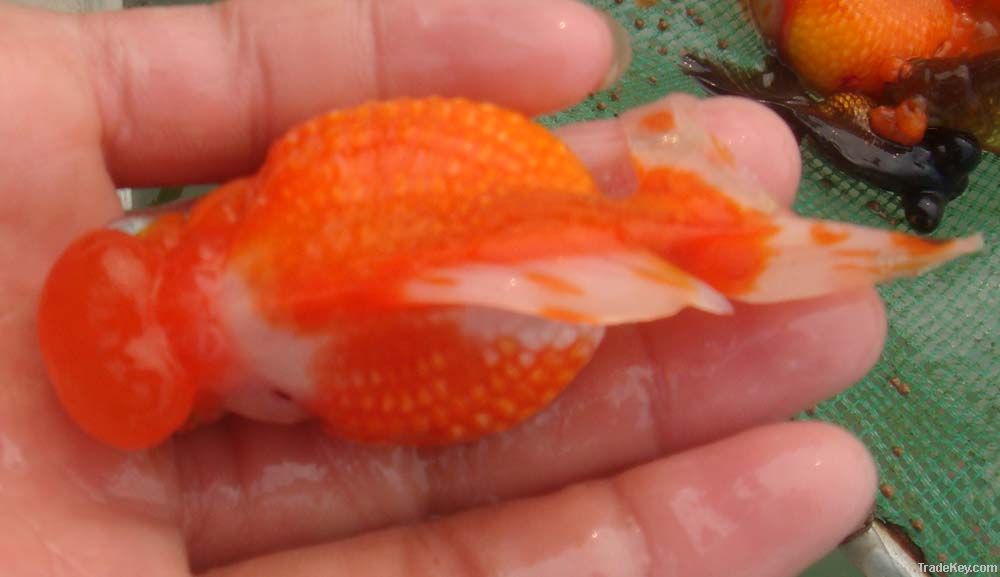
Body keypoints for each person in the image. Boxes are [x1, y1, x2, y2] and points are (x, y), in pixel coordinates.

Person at [0, 0, 882, 575]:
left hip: (478, 236)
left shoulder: (279, 367)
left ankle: (702, 243)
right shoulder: (278, 338)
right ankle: (707, 241)